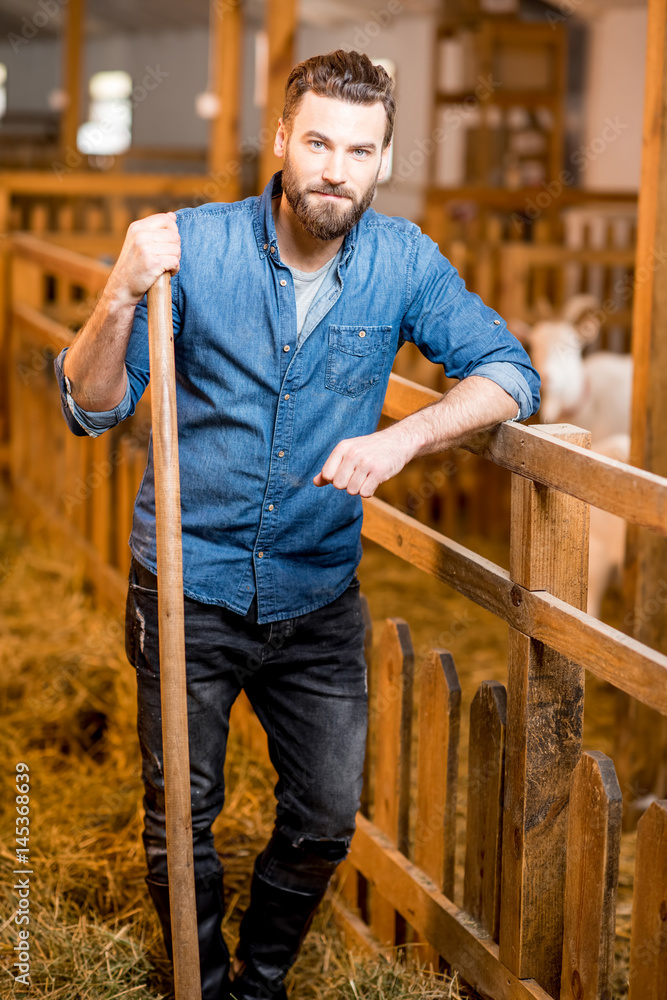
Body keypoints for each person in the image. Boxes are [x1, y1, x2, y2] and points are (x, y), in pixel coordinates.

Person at [54, 50, 539, 1000]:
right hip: (188, 582)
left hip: (317, 593)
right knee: (180, 817)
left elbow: (509, 373)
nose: (334, 168)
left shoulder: (406, 262)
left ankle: (258, 984)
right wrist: (119, 290)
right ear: (281, 140)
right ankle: (197, 981)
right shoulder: (193, 248)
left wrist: (406, 440)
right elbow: (92, 407)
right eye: (316, 141)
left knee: (323, 814)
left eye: (360, 150)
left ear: (384, 159)